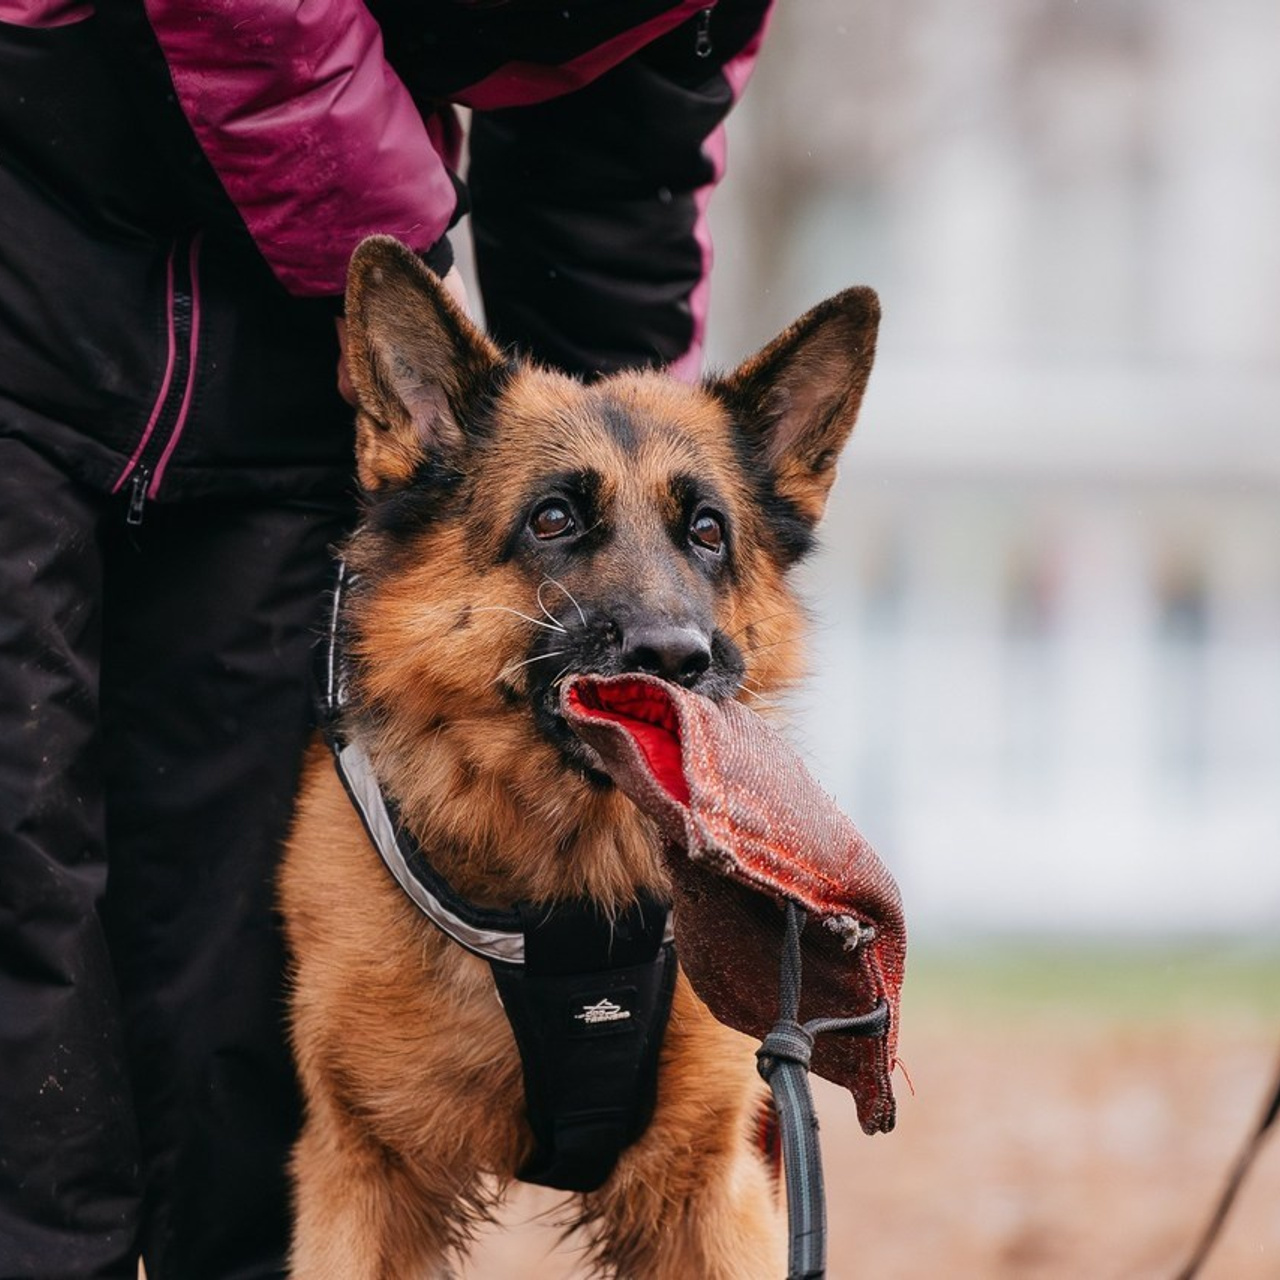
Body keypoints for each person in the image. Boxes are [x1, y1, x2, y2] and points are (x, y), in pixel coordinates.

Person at [0, 0, 775, 1276]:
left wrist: (636, 563)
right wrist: (415, 261)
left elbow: (613, 178)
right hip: (46, 217)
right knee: (21, 890)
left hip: (278, 359)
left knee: (238, 941)